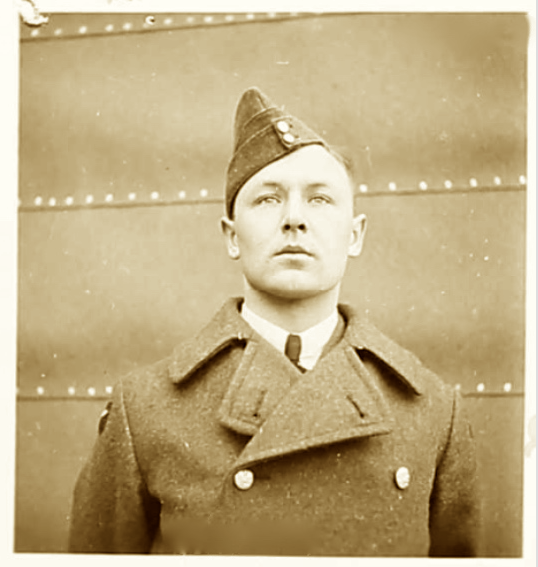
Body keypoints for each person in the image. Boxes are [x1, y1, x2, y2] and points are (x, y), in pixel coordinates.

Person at [68, 87, 482, 556]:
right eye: (267, 199)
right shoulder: (146, 408)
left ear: (355, 235)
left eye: (320, 199)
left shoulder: (432, 411)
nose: (294, 219)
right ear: (231, 236)